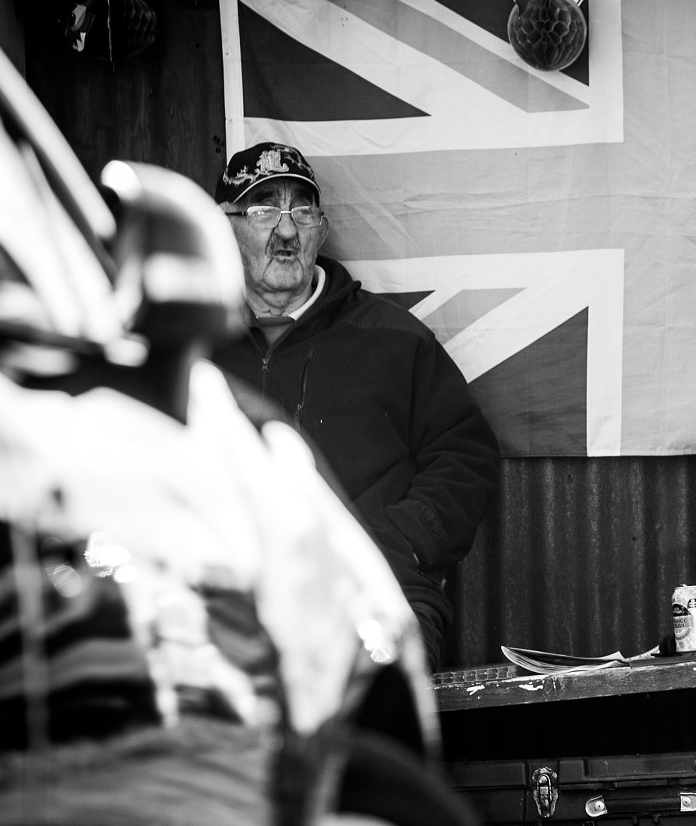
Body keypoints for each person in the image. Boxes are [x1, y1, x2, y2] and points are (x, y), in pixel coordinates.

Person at [209, 141, 500, 657]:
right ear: (223, 226)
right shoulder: (192, 348)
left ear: (320, 229)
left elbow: (466, 455)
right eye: (263, 209)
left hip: (376, 593)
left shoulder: (391, 338)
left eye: (301, 209)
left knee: (375, 704)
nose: (285, 229)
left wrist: (401, 542)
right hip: (227, 599)